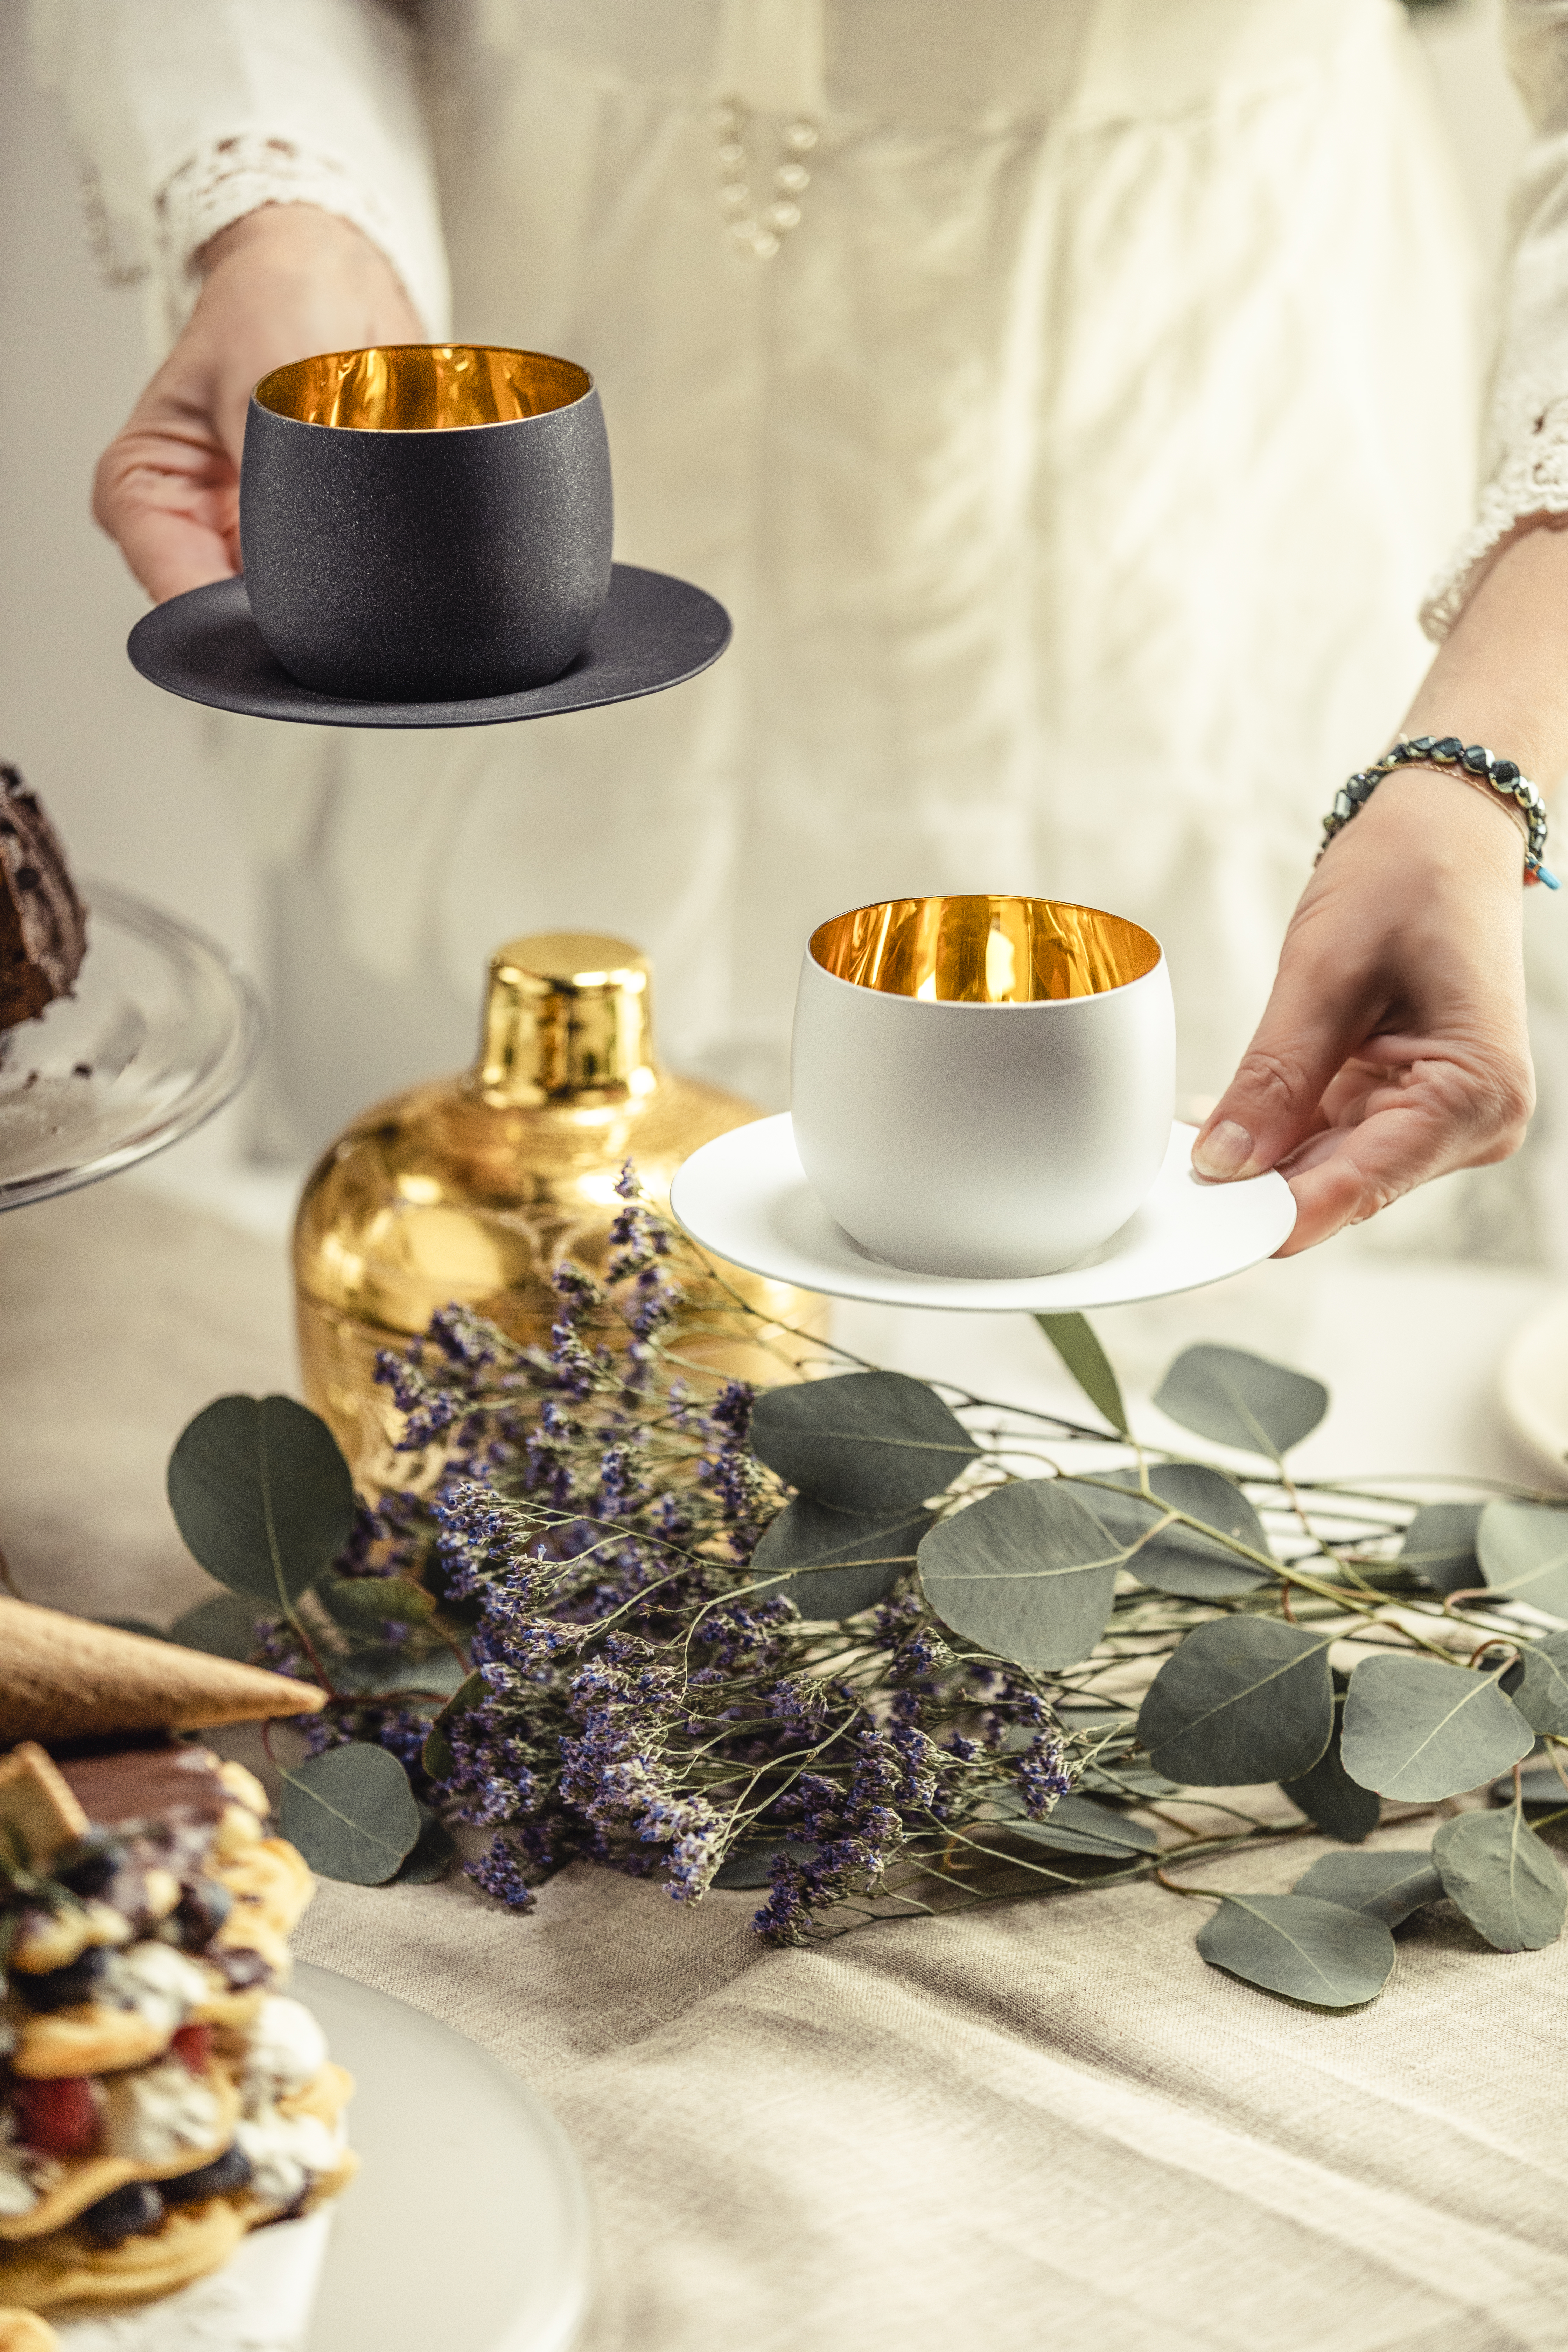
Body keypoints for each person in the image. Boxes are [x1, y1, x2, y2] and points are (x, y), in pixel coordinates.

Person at [36, 0, 1568, 1251]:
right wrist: (280, 212)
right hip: (480, 516)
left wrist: (1479, 749)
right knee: (441, 1335)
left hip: (1189, 507)